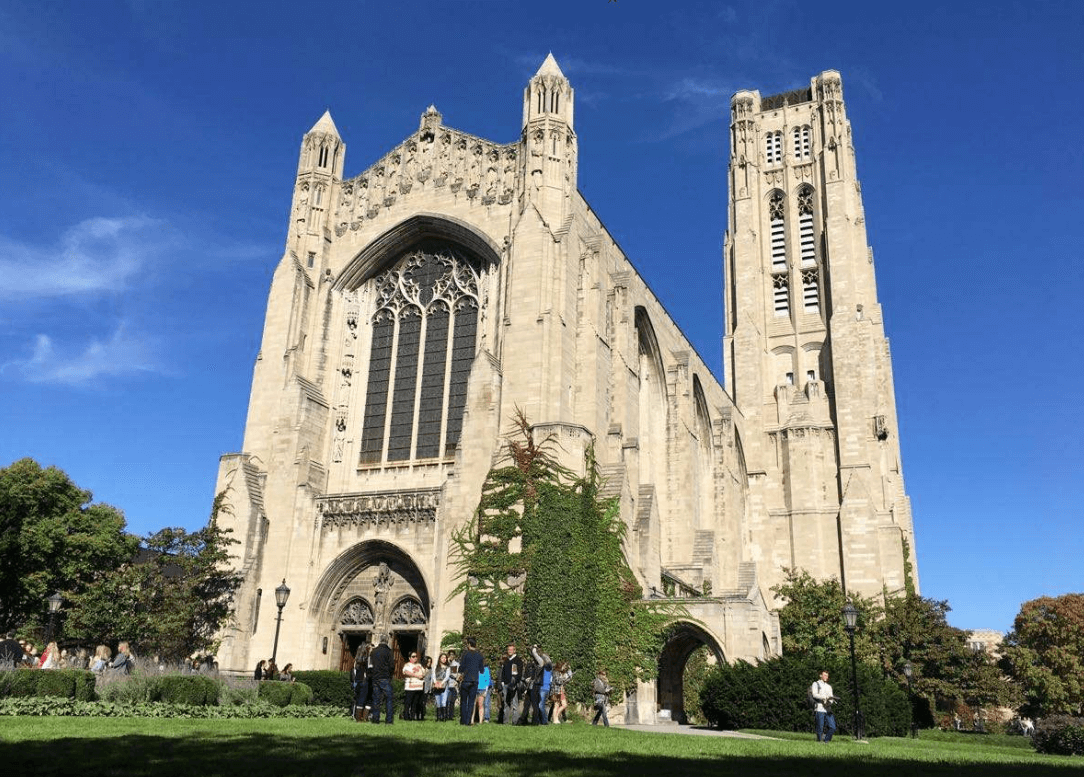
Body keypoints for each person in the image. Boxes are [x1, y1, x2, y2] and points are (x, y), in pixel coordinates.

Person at [457, 637, 485, 725]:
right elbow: (482, 670)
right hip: (474, 681)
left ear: (469, 644)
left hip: (466, 680)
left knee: (464, 701)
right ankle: (469, 721)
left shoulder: (465, 654)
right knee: (471, 702)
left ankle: (463, 720)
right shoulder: (479, 655)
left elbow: (461, 668)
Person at [369, 635, 395, 724]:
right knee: (389, 699)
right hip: (385, 677)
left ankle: (375, 719)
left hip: (375, 677)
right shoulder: (388, 652)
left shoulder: (374, 651)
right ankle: (389, 720)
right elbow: (392, 666)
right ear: (387, 641)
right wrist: (390, 674)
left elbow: (370, 664)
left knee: (376, 699)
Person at [810, 670, 837, 742]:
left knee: (832, 727)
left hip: (827, 709)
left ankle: (826, 740)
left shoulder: (829, 686)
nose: (826, 677)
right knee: (820, 727)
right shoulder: (816, 684)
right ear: (820, 675)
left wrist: (829, 701)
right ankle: (820, 741)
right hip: (819, 708)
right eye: (825, 675)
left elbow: (831, 696)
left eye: (827, 676)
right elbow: (814, 694)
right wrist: (823, 697)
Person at [501, 643, 523, 725]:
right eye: (508, 649)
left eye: (511, 649)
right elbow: (503, 673)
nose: (509, 651)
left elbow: (519, 674)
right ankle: (505, 721)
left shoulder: (518, 661)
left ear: (514, 650)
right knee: (506, 704)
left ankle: (515, 721)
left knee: (514, 704)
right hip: (506, 685)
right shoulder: (506, 661)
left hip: (514, 685)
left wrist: (514, 683)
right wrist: (502, 682)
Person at [530, 644, 552, 725]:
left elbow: (540, 660)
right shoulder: (545, 666)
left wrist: (534, 651)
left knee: (540, 705)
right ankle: (539, 720)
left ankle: (545, 721)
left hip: (544, 687)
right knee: (539, 705)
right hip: (542, 687)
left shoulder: (546, 665)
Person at [402, 651, 425, 721]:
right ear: (409, 658)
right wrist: (416, 675)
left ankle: (413, 716)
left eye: (416, 656)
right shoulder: (407, 665)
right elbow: (405, 672)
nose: (415, 658)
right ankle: (406, 716)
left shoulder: (419, 665)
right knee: (408, 702)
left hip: (419, 687)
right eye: (413, 656)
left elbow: (424, 672)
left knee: (415, 703)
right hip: (410, 687)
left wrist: (422, 675)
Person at [351, 645, 371, 721]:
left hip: (358, 681)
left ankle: (358, 717)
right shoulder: (366, 659)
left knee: (359, 700)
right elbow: (369, 670)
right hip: (364, 681)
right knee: (366, 700)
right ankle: (362, 718)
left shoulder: (357, 660)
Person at [476, 658, 492, 723]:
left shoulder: (486, 669)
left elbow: (487, 680)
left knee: (486, 703)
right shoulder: (476, 669)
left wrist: (486, 690)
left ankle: (486, 718)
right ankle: (479, 718)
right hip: (477, 688)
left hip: (485, 688)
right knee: (479, 704)